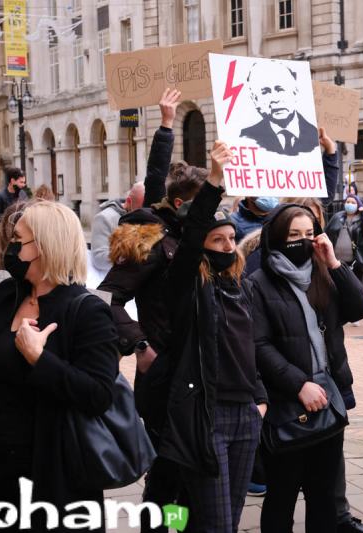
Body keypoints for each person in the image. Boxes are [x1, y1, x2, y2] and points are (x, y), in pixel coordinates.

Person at [0, 201, 118, 532]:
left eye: (19, 240)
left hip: (52, 476)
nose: (11, 247)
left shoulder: (86, 311)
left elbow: (98, 395)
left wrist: (40, 360)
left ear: (44, 246)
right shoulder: (2, 297)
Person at [157, 141, 266, 532]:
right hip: (208, 415)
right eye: (217, 240)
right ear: (201, 246)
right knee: (212, 522)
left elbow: (248, 349)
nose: (227, 246)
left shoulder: (241, 287)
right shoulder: (189, 285)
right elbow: (189, 241)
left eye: (231, 240)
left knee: (228, 521)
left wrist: (261, 398)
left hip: (245, 416)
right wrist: (216, 180)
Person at [97, 88, 190, 533]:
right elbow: (106, 298)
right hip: (164, 370)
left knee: (193, 467)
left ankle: (181, 525)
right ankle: (162, 527)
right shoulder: (154, 239)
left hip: (200, 370)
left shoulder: (205, 241)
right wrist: (139, 344)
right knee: (167, 468)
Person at [250, 203, 363, 533]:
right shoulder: (259, 283)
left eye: (308, 233)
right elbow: (258, 346)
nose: (302, 241)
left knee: (325, 497)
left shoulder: (322, 272)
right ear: (276, 238)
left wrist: (333, 263)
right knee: (282, 495)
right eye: (293, 235)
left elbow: (360, 307)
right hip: (287, 403)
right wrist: (298, 384)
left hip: (328, 399)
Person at [232, 127, 340, 243]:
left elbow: (324, 195)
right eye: (294, 233)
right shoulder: (235, 223)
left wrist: (330, 151)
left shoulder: (284, 212)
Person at [240, 62, 318, 155]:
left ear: (295, 92)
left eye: (280, 89)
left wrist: (330, 153)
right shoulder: (246, 138)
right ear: (255, 100)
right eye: (265, 92)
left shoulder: (315, 136)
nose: (275, 99)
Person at [91, 182, 145, 273]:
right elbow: (99, 258)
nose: (145, 214)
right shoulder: (104, 218)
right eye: (140, 209)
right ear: (128, 201)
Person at [325, 194, 363, 281]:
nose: (349, 204)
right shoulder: (337, 216)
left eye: (353, 202)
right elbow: (328, 232)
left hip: (355, 261)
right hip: (336, 259)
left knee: (354, 285)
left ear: (358, 205)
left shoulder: (362, 219)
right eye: (348, 202)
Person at [0, 166, 28, 236]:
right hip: (3, 237)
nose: (23, 185)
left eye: (24, 182)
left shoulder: (23, 194)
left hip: (19, 235)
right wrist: (11, 218)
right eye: (21, 182)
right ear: (12, 181)